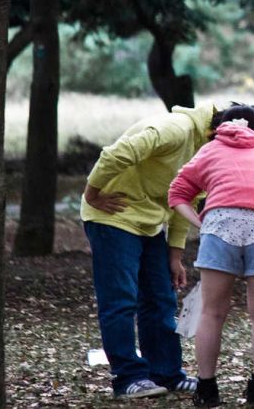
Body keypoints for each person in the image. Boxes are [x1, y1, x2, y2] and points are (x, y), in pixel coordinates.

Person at [81, 103, 216, 399]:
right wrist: (93, 194)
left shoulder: (205, 151)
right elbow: (117, 153)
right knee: (121, 300)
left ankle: (166, 373)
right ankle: (128, 377)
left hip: (150, 223)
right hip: (113, 217)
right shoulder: (175, 129)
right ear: (217, 132)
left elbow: (187, 199)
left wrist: (175, 255)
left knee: (160, 298)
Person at [167, 104, 254, 407]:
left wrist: (201, 222)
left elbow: (177, 192)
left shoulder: (209, 150)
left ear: (220, 126)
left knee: (212, 312)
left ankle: (206, 389)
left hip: (220, 227)